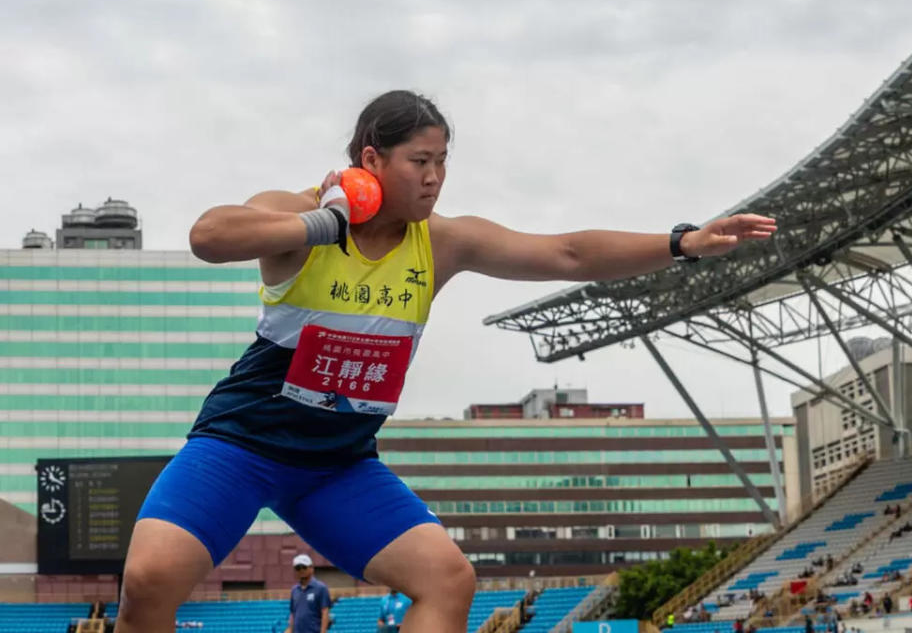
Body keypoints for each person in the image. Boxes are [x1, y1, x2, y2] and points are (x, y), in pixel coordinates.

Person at [113, 90, 777, 633]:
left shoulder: (443, 242)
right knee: (147, 581)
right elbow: (209, 236)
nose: (433, 177)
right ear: (370, 159)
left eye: (441, 162)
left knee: (449, 580)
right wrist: (326, 223)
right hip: (241, 445)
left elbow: (568, 253)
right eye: (417, 161)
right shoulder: (302, 214)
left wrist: (683, 241)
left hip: (337, 466)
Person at [285, 554, 331, 633]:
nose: (301, 570)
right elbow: (293, 614)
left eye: (304, 567)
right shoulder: (294, 590)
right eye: (298, 568)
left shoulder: (321, 588)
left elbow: (325, 612)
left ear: (311, 568)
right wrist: (290, 630)